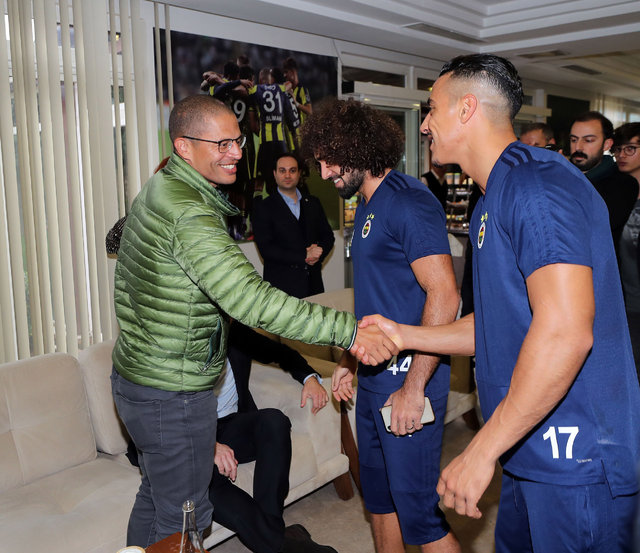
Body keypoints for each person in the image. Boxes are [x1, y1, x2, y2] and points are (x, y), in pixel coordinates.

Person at [361, 54, 640, 553]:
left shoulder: (536, 187)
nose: (423, 124)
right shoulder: (493, 198)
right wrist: (404, 335)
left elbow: (566, 332)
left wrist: (481, 449)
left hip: (576, 460)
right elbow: (496, 326)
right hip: (525, 445)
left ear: (467, 108)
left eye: (431, 108)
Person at [111, 94, 397, 548]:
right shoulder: (187, 212)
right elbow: (251, 299)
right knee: (181, 521)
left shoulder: (163, 188)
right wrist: (349, 330)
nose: (236, 154)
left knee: (156, 501)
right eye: (221, 144)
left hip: (143, 381)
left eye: (238, 141)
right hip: (170, 393)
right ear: (183, 147)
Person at [302, 98, 461, 553]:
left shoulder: (408, 201)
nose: (325, 173)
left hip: (408, 381)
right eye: (319, 162)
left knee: (419, 515)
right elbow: (377, 300)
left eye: (330, 160)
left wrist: (414, 387)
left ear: (358, 148)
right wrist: (350, 359)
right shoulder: (368, 206)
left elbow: (445, 295)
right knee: (379, 500)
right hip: (373, 381)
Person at [211, 322, 336, 553]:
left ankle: (273, 534)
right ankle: (283, 540)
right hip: (190, 437)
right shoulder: (176, 343)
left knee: (274, 421)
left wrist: (309, 378)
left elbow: (280, 352)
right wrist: (209, 445)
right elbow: (165, 413)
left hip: (232, 425)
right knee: (202, 480)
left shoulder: (233, 332)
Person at [252, 152, 334, 298]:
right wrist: (304, 255)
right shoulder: (263, 208)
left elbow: (328, 237)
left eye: (292, 170)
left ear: (299, 173)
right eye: (282, 171)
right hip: (281, 291)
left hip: (314, 287)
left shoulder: (313, 203)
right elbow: (267, 249)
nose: (287, 175)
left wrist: (318, 252)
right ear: (275, 174)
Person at [569, 111, 638, 253]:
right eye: (573, 140)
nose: (578, 147)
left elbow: (589, 228)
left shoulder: (623, 184)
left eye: (588, 140)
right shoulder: (561, 174)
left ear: (606, 144)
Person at [613, 122, 640, 377]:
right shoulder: (614, 195)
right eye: (618, 149)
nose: (622, 155)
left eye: (630, 148)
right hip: (622, 304)